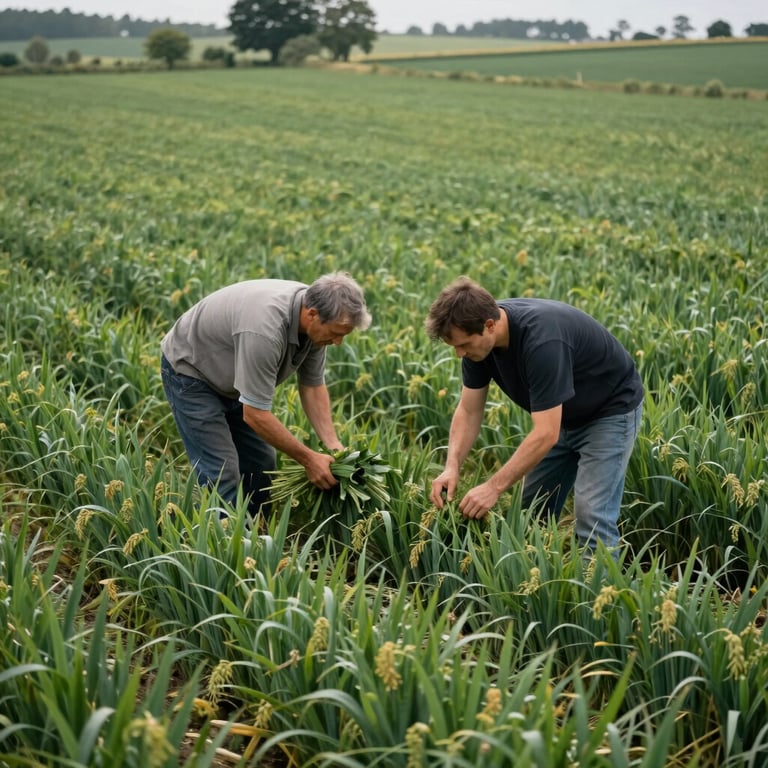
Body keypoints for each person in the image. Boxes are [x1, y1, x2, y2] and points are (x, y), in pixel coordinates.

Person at [425, 276, 644, 553]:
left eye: (463, 345)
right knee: (533, 512)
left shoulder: (542, 341)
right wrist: (451, 466)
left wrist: (492, 488)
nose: (459, 354)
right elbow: (469, 410)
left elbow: (545, 433)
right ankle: (542, 585)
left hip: (609, 412)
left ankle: (601, 592)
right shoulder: (478, 347)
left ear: (489, 326)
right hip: (561, 415)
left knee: (592, 517)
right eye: (454, 346)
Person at [160, 272, 371, 517]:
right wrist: (309, 459)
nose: (338, 342)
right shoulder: (265, 330)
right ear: (312, 314)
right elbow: (255, 414)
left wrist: (334, 445)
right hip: (192, 372)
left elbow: (313, 386)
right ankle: (224, 545)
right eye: (336, 333)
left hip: (235, 377)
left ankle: (256, 531)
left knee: (260, 463)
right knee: (222, 472)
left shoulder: (316, 322)